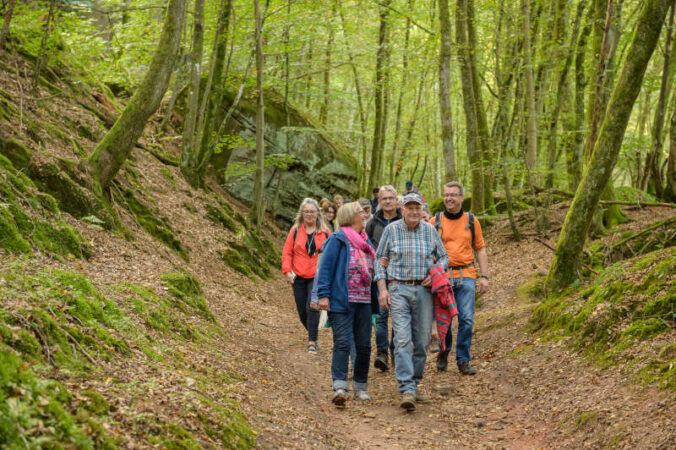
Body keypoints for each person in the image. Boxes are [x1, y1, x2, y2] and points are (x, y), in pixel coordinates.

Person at [375, 193, 448, 411]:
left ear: (421, 208)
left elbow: (444, 257)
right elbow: (379, 262)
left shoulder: (430, 230)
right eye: (410, 207)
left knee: (423, 341)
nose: (414, 211)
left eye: (418, 207)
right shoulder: (391, 230)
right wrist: (382, 289)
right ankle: (406, 387)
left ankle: (414, 383)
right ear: (402, 209)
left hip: (424, 291)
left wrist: (435, 272)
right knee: (402, 339)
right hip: (398, 288)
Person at [316, 202, 375, 407]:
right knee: (342, 343)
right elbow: (325, 269)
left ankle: (360, 387)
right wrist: (323, 295)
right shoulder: (337, 239)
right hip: (342, 301)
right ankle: (339, 386)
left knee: (365, 346)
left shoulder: (366, 242)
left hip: (365, 302)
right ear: (351, 217)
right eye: (361, 212)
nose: (365, 214)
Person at [429, 181, 490, 375]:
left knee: (466, 319)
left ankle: (463, 359)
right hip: (442, 277)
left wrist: (485, 276)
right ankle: (444, 351)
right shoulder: (434, 221)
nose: (449, 198)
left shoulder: (471, 221)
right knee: (444, 318)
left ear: (462, 197)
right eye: (447, 194)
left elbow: (480, 248)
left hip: (467, 275)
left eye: (454, 194)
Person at [281, 198, 331, 355]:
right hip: (298, 276)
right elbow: (287, 252)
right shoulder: (295, 231)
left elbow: (331, 254)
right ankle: (313, 330)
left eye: (312, 211)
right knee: (302, 311)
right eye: (306, 211)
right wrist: (287, 271)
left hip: (317, 277)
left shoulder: (325, 232)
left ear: (318, 213)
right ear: (302, 214)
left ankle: (312, 342)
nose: (309, 214)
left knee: (312, 306)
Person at [365, 185, 402, 372]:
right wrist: (376, 259)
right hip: (378, 275)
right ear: (378, 201)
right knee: (381, 316)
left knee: (398, 316)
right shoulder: (373, 222)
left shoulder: (404, 219)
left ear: (396, 200)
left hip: (400, 275)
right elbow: (366, 245)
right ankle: (382, 353)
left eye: (391, 198)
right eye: (384, 198)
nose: (387, 201)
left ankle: (396, 351)